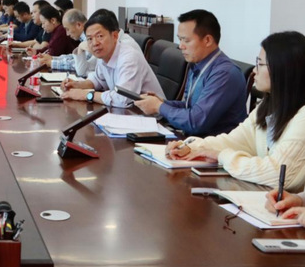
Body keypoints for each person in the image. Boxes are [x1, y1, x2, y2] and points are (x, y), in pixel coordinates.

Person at [166, 31, 305, 191]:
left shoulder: (302, 117)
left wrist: (222, 156)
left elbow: (278, 174)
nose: (254, 71)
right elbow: (234, 141)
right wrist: (188, 147)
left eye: (260, 64)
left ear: (283, 70)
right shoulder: (267, 107)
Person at [134, 10, 247, 136]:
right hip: (192, 141)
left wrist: (159, 107)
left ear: (207, 40)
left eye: (186, 41)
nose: (181, 46)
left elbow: (196, 122)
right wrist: (162, 102)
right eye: (180, 40)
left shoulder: (224, 74)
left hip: (212, 145)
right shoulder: (197, 64)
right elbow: (191, 107)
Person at [61, 12, 164, 107]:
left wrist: (86, 95)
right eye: (90, 39)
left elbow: (122, 99)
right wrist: (77, 85)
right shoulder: (104, 54)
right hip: (129, 112)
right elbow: (98, 79)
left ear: (115, 36)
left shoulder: (129, 57)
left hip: (152, 116)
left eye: (100, 36)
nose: (95, 43)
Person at [38, 9, 94, 76]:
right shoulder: (83, 38)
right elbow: (74, 57)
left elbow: (80, 64)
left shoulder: (89, 38)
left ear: (79, 25)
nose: (67, 34)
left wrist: (52, 63)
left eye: (67, 29)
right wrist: (53, 58)